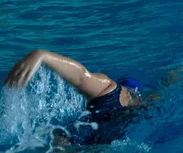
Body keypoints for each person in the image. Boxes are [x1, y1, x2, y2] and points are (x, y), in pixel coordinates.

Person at [3, 49, 141, 145]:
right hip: (105, 140)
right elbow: (81, 76)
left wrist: (42, 55)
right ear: (134, 92)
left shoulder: (109, 89)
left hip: (85, 134)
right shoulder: (132, 102)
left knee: (61, 139)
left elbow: (82, 76)